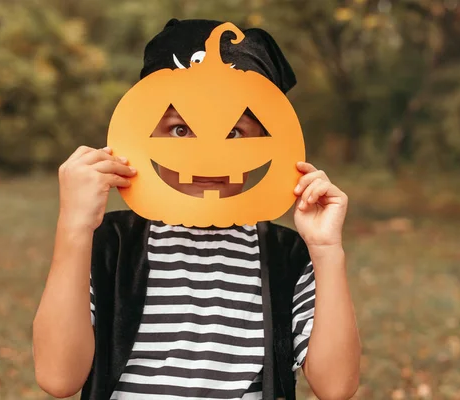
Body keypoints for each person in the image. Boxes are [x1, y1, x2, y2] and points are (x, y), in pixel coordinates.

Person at [32, 18, 360, 400]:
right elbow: (57, 378)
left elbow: (336, 387)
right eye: (180, 130)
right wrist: (73, 228)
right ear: (142, 133)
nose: (208, 154)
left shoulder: (288, 256)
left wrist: (326, 251)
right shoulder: (108, 245)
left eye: (234, 132)